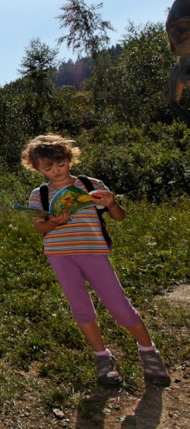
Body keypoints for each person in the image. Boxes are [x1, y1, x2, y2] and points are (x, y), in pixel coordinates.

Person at [21, 134, 171, 387]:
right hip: (59, 256)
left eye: (61, 164)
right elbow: (39, 228)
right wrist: (55, 222)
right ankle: (103, 357)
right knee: (80, 308)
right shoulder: (40, 194)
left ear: (70, 159)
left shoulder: (91, 185)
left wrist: (113, 204)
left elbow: (119, 217)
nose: (56, 171)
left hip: (93, 252)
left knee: (119, 305)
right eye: (48, 168)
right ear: (36, 169)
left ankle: (148, 351)